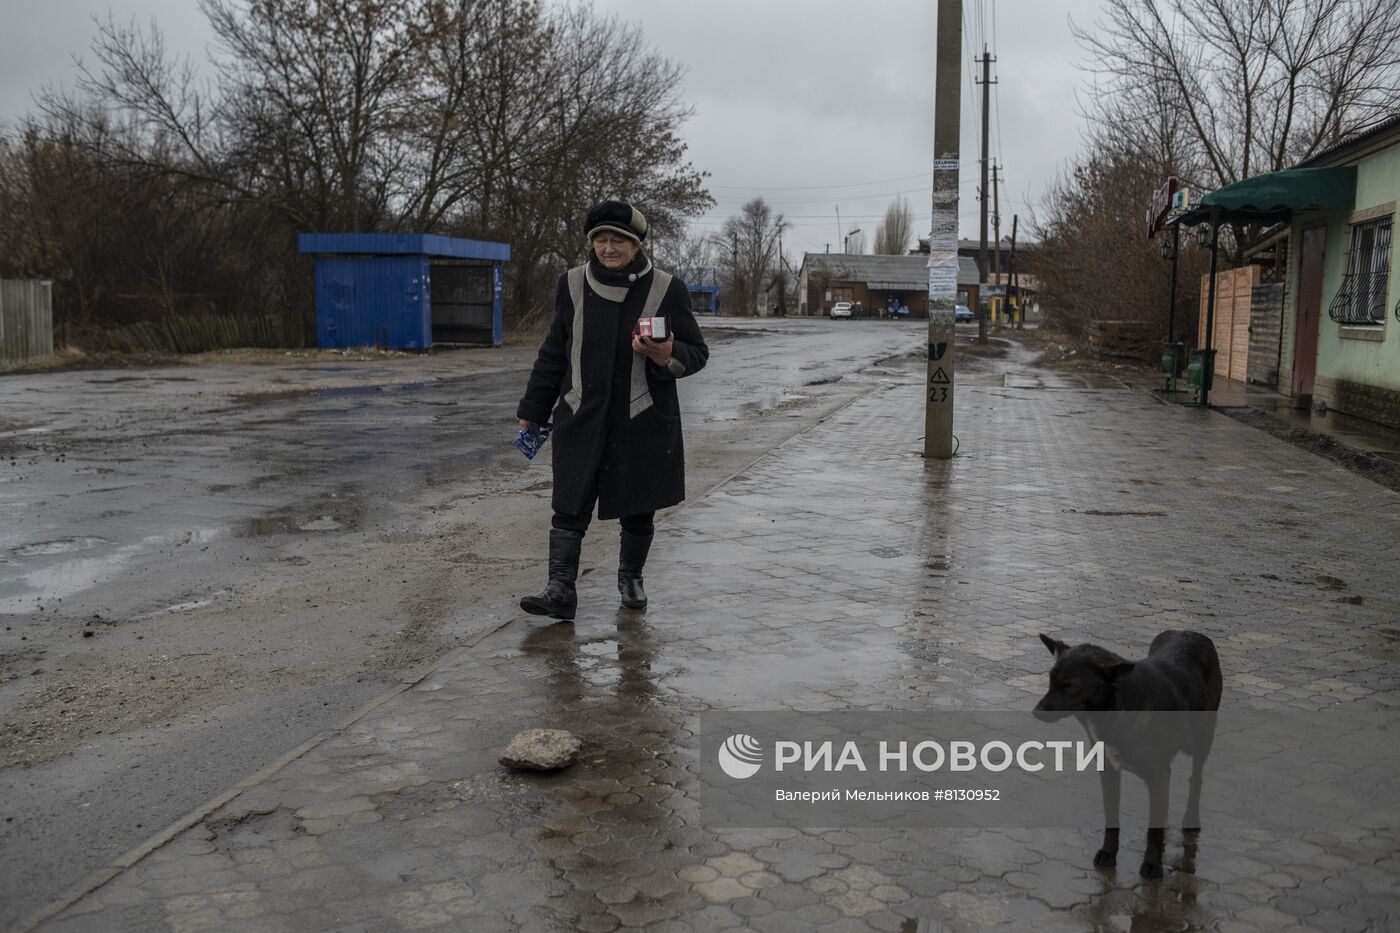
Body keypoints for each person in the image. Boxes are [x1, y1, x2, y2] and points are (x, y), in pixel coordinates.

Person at [516, 200, 709, 621]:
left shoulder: (666, 288)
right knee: (569, 503)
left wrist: (666, 353)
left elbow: (697, 353)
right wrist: (533, 408)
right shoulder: (569, 284)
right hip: (581, 413)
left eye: (617, 240)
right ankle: (560, 589)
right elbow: (553, 353)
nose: (608, 248)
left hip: (643, 417)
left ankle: (631, 577)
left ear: (636, 244)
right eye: (601, 240)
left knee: (640, 506)